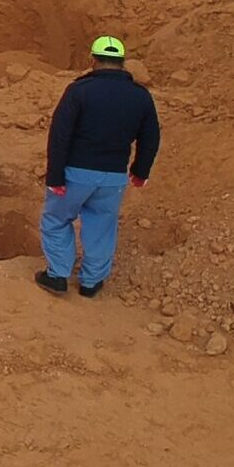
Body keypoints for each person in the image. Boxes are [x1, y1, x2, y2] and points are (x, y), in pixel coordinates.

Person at [37, 35, 161, 298]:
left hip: (75, 172)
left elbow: (60, 135)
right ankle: (91, 282)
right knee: (102, 225)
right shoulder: (140, 96)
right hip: (113, 177)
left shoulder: (79, 91)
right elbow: (150, 137)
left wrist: (55, 175)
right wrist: (140, 172)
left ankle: (58, 275)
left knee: (56, 219)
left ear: (93, 59)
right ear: (123, 62)